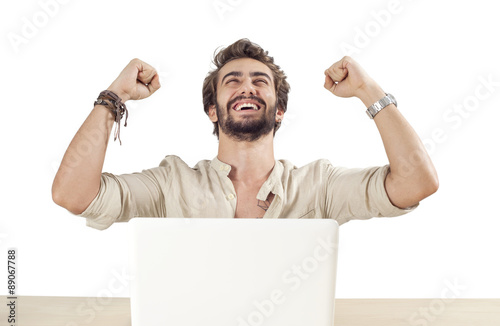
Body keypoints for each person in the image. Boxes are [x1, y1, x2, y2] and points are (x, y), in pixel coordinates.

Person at [52, 38, 438, 230]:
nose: (247, 87)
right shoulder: (171, 183)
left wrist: (368, 91)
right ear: (213, 111)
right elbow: (73, 194)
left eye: (260, 81)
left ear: (279, 110)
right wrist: (114, 97)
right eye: (232, 81)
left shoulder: (320, 185)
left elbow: (416, 182)